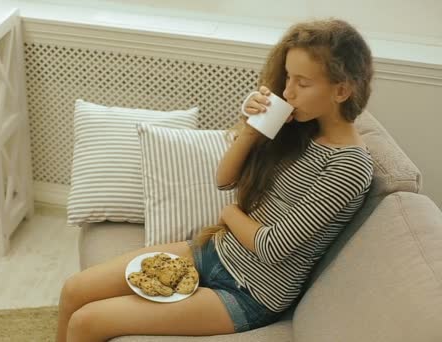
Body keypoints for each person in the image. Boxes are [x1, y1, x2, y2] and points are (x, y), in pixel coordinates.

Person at [56, 18, 375, 342]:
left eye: (302, 84)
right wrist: (251, 129)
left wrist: (228, 214)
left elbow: (272, 246)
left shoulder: (349, 166)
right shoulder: (301, 129)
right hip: (214, 252)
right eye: (288, 78)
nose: (288, 92)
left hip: (250, 292)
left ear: (342, 90)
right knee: (74, 290)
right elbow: (224, 180)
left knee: (87, 323)